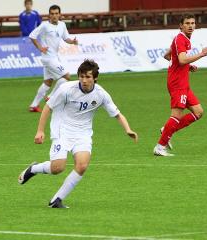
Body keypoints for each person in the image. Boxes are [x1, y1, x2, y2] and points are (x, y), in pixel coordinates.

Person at [18, 59, 138, 208]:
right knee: (58, 168)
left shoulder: (101, 94)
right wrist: (40, 131)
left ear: (95, 78)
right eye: (81, 76)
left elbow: (117, 114)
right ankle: (33, 169)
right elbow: (48, 107)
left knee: (81, 165)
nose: (84, 80)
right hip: (62, 130)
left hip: (83, 134)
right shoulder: (66, 89)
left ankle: (56, 200)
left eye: (88, 77)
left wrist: (128, 129)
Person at [153, 14, 207, 157]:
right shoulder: (180, 39)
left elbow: (167, 55)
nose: (191, 25)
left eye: (193, 23)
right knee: (176, 116)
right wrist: (201, 54)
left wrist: (188, 66)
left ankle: (167, 130)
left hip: (183, 83)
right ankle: (160, 147)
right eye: (187, 23)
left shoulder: (182, 39)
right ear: (181, 25)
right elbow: (182, 59)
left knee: (198, 112)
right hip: (177, 83)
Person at [28, 4, 78, 112]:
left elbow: (65, 38)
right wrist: (40, 48)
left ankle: (33, 105)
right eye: (52, 14)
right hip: (48, 58)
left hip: (54, 57)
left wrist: (72, 42)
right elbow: (32, 36)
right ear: (49, 15)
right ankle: (51, 97)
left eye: (56, 13)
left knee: (48, 82)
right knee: (66, 76)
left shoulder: (62, 25)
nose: (54, 16)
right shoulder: (44, 26)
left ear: (60, 14)